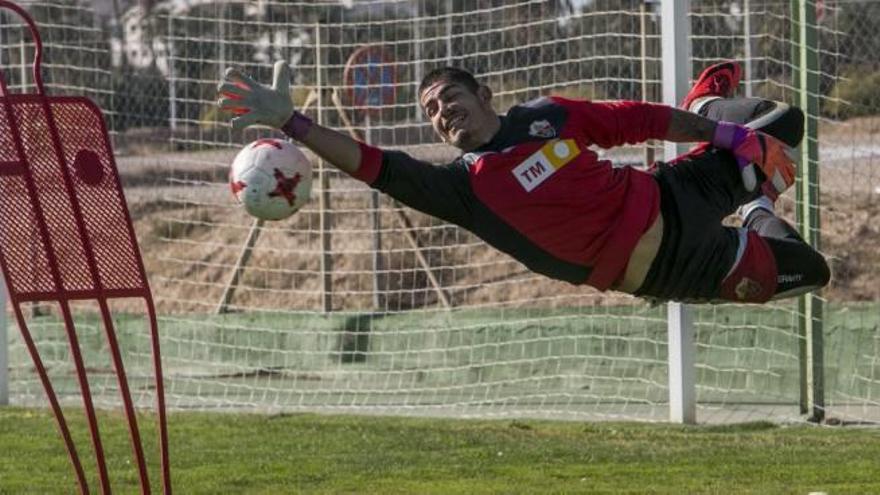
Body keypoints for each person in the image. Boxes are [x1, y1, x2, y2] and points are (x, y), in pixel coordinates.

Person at [216, 60, 830, 304]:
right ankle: (756, 203)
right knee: (810, 268)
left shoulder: (547, 117)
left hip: (675, 191)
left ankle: (713, 115)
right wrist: (295, 123)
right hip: (675, 269)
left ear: (484, 95)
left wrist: (723, 137)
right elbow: (372, 164)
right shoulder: (463, 189)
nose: (440, 111)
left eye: (448, 96)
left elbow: (635, 119)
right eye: (430, 110)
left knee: (782, 126)